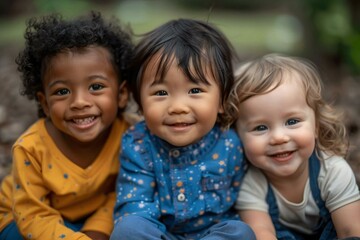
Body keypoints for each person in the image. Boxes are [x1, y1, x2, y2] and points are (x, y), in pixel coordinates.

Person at [110, 18, 256, 240]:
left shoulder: (231, 143)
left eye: (195, 90)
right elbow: (133, 205)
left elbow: (248, 196)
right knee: (128, 229)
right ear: (140, 104)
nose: (178, 107)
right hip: (160, 234)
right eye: (160, 93)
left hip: (212, 235)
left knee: (240, 232)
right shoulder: (138, 144)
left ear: (222, 101)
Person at [0, 11, 134, 240]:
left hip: (90, 217)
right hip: (25, 221)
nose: (80, 102)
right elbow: (33, 216)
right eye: (62, 91)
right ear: (45, 102)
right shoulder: (31, 148)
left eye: (96, 87)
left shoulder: (130, 135)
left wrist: (95, 232)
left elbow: (120, 193)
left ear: (121, 94)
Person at [225, 53, 360, 240]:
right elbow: (262, 233)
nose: (279, 138)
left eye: (292, 121)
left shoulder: (333, 171)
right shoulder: (251, 182)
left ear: (316, 126)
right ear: (237, 136)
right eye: (260, 127)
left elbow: (350, 232)